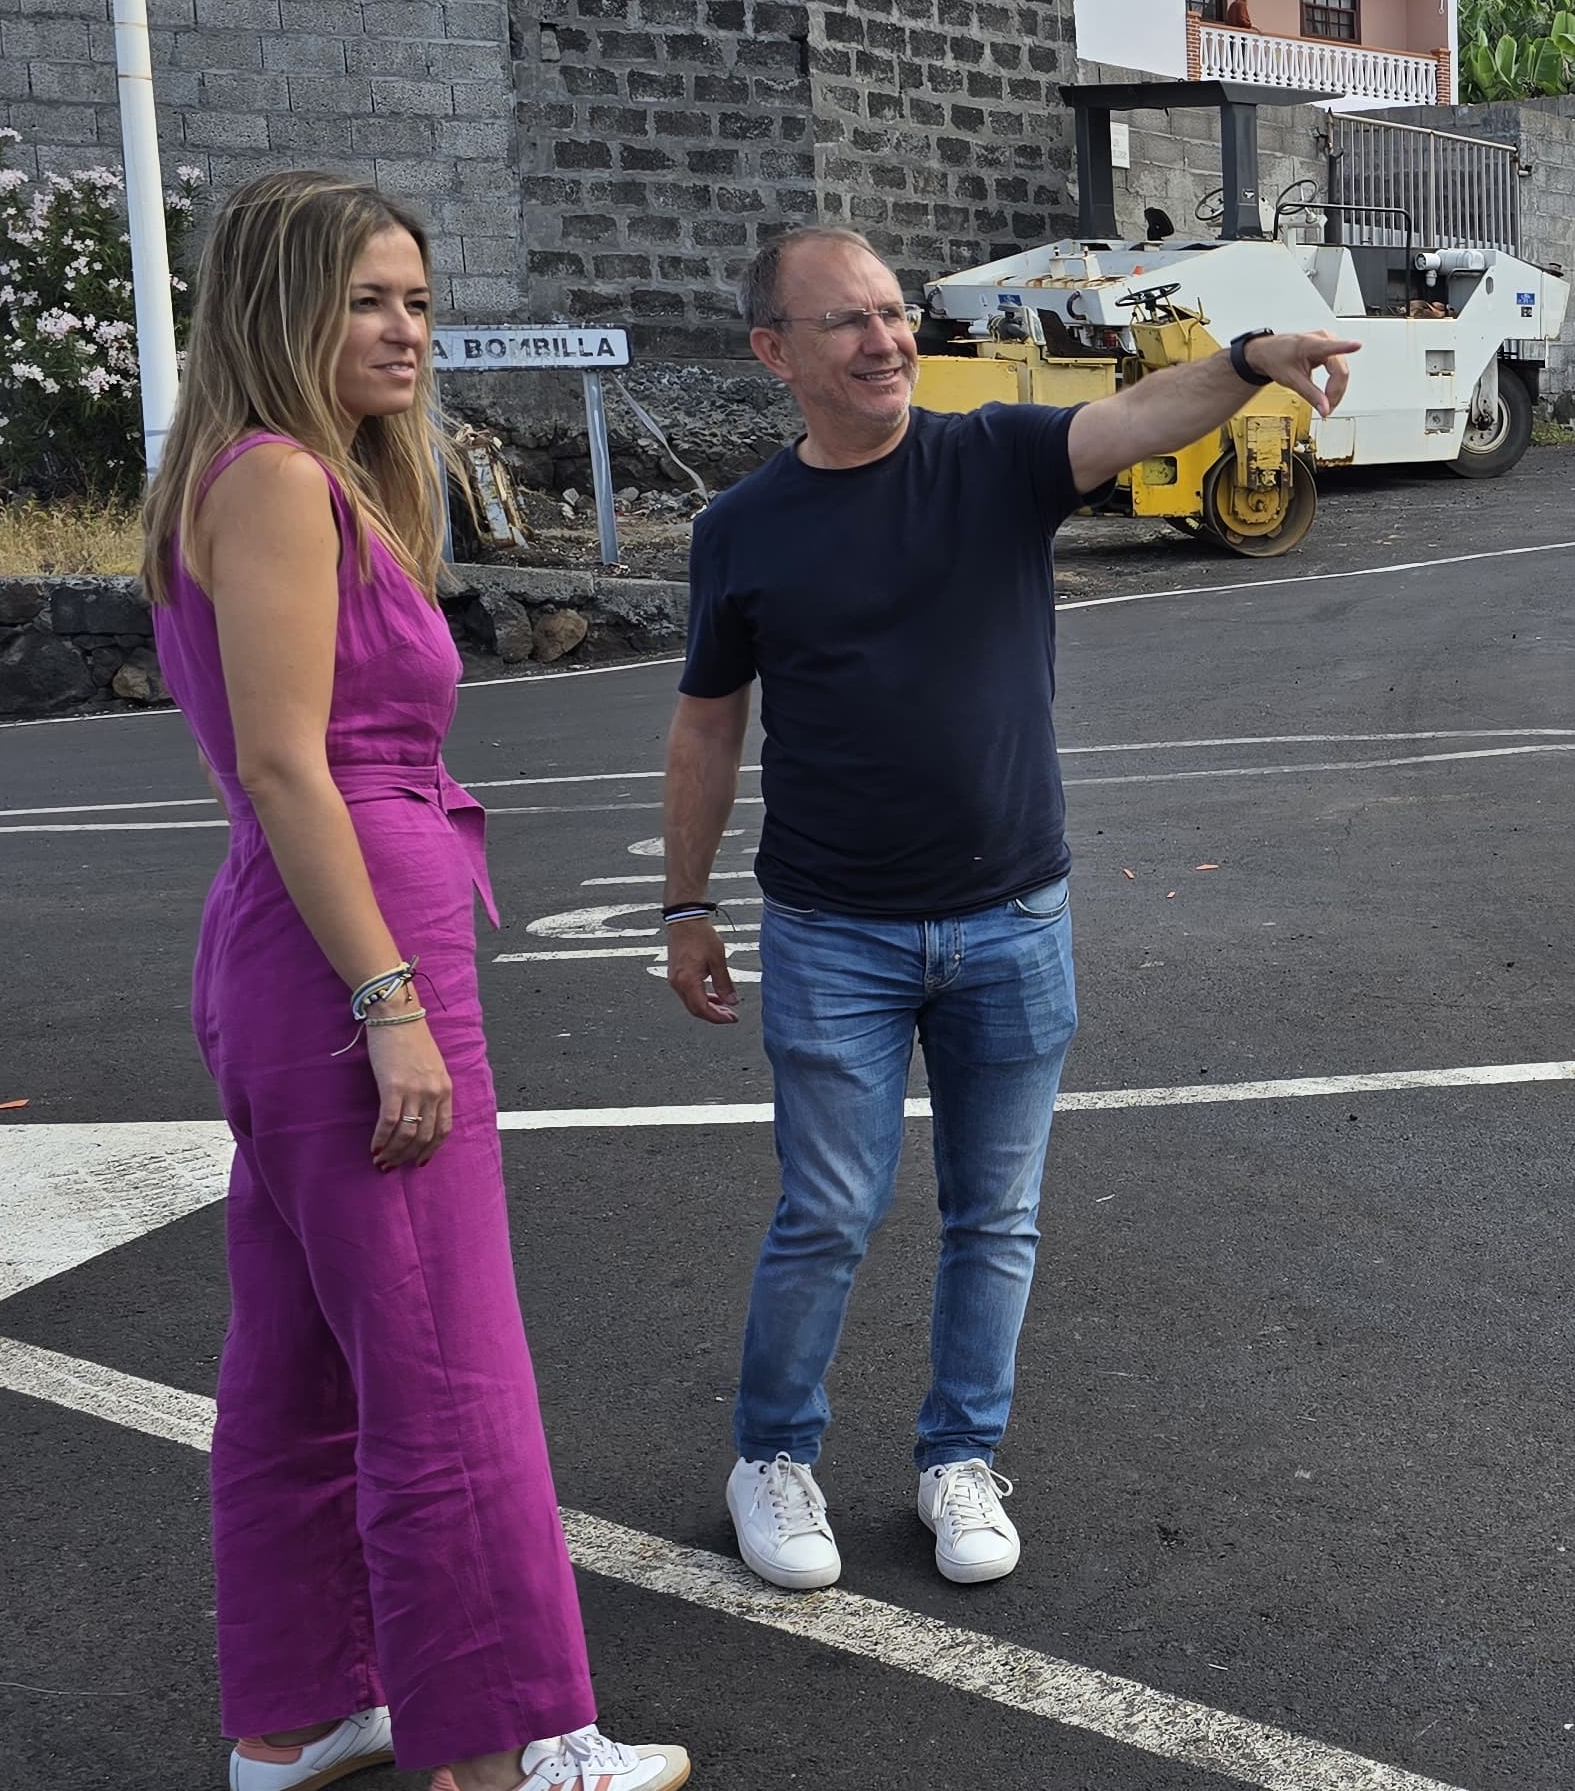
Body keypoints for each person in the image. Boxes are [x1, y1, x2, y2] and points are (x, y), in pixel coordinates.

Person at [661, 225, 1353, 1590]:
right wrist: (684, 905)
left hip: (1013, 923)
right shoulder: (741, 531)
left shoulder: (988, 459)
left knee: (999, 1214)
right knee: (828, 1210)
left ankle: (958, 1459)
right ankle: (772, 1456)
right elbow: (705, 728)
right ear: (774, 352)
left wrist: (1257, 359)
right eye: (847, 321)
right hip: (833, 932)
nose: (885, 339)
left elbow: (1139, 413)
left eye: (893, 311)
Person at [144, 171, 688, 1791]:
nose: (404, 329)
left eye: (419, 301)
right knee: (447, 1366)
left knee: (310, 1359)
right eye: (367, 298)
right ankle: (510, 1740)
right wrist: (389, 1007)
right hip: (345, 955)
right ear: (280, 308)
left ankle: (303, 1713)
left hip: (308, 940)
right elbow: (286, 768)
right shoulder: (278, 484)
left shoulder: (271, 480)